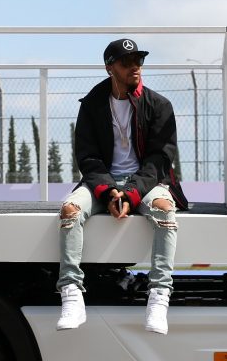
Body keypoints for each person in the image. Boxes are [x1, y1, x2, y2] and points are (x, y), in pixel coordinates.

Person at [56, 38, 188, 335]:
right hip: (102, 180)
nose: (135, 67)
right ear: (109, 68)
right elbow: (87, 156)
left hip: (146, 181)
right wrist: (107, 191)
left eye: (138, 61)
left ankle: (159, 296)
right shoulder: (92, 104)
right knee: (70, 210)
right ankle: (71, 293)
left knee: (164, 209)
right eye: (127, 62)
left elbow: (160, 159)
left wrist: (130, 193)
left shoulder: (158, 105)